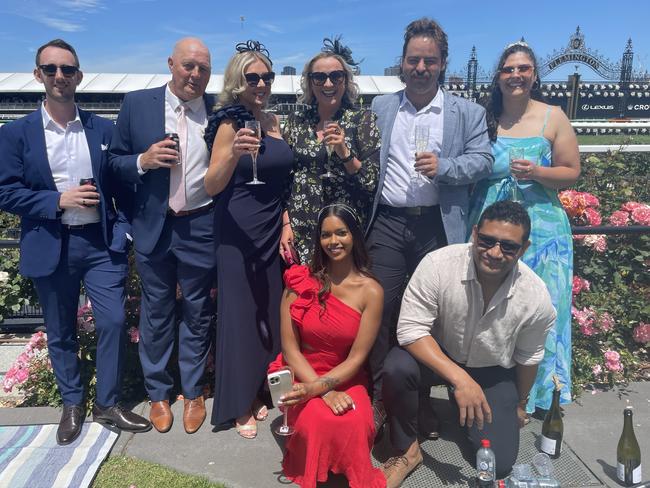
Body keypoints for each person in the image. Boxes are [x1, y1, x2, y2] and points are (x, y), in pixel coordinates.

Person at [0, 39, 150, 445]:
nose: (60, 76)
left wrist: (124, 231)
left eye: (67, 69)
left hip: (101, 245)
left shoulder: (102, 128)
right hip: (51, 242)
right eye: (51, 69)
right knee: (60, 329)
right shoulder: (17, 133)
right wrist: (56, 200)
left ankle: (107, 403)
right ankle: (72, 403)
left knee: (114, 321)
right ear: (38, 75)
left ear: (79, 75)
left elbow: (122, 182)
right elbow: (5, 191)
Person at [367, 17, 493, 430]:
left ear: (443, 64)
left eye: (430, 61)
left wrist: (445, 167)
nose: (420, 68)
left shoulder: (466, 112)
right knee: (379, 309)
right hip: (387, 222)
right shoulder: (382, 107)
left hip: (437, 227)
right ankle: (376, 397)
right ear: (402, 63)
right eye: (413, 60)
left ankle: (419, 399)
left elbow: (483, 160)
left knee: (433, 315)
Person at [381, 201, 556, 487]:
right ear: (475, 233)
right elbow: (411, 329)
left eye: (509, 246)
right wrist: (461, 379)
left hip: (491, 368)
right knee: (397, 366)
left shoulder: (535, 296)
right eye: (487, 240)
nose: (495, 252)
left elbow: (529, 356)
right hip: (439, 355)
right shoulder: (438, 264)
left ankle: (464, 411)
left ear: (524, 249)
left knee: (498, 464)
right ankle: (406, 449)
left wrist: (521, 404)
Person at [108, 37, 216, 434]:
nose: (195, 74)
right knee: (156, 312)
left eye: (203, 68)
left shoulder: (218, 110)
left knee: (198, 310)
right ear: (171, 63)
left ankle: (193, 390)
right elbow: (113, 164)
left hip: (201, 224)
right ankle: (158, 393)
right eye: (188, 65)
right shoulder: (137, 104)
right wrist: (143, 160)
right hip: (155, 225)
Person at [467, 42, 579, 413]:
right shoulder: (484, 117)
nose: (516, 75)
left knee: (544, 310)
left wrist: (538, 173)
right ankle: (494, 392)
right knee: (490, 309)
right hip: (492, 229)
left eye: (523, 68)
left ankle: (543, 395)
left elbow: (571, 171)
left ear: (534, 75)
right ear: (498, 77)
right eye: (508, 69)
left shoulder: (554, 117)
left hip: (543, 233)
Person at [203, 41, 293, 438]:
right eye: (252, 77)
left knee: (270, 313)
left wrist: (287, 222)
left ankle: (261, 390)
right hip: (237, 230)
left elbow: (281, 182)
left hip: (273, 226)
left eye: (267, 77)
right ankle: (239, 402)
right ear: (237, 82)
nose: (261, 83)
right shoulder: (228, 122)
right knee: (241, 315)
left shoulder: (274, 121)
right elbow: (210, 185)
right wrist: (231, 153)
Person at [269, 204, 385, 488]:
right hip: (302, 372)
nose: (334, 242)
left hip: (346, 375)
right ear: (318, 240)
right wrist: (321, 392)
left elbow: (357, 358)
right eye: (326, 235)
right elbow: (290, 349)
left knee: (355, 424)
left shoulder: (371, 291)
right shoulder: (298, 282)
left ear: (354, 236)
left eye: (341, 233)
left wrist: (324, 388)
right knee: (319, 422)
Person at [280, 38, 380, 265]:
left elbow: (371, 183)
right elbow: (284, 180)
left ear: (346, 80)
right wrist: (286, 224)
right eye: (319, 77)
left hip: (342, 233)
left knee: (339, 296)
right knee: (304, 294)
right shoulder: (297, 121)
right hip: (301, 227)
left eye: (336, 76)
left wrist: (344, 152)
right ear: (310, 82)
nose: (328, 84)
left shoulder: (362, 120)